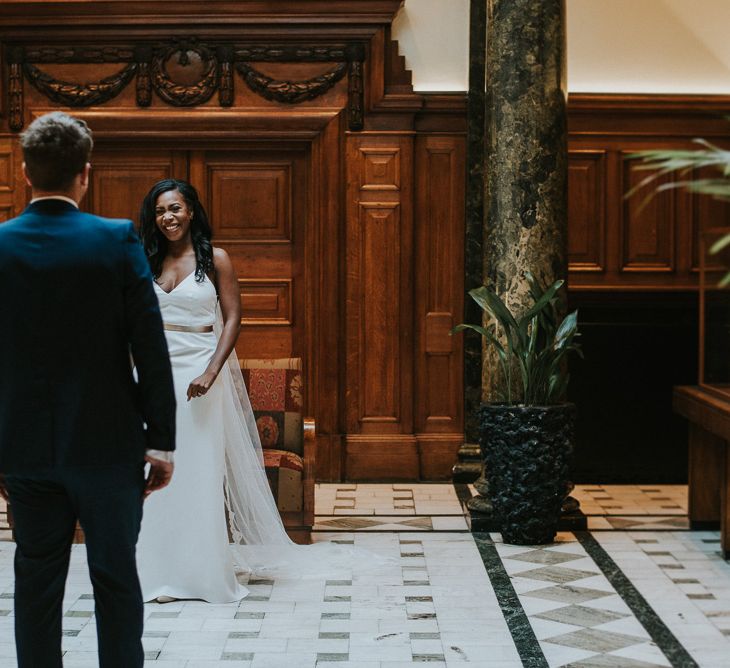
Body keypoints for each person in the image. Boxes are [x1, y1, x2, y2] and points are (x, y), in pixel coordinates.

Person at [0, 112, 177, 667]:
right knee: (116, 577)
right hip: (108, 445)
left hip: (24, 449)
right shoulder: (115, 239)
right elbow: (149, 346)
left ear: (26, 173)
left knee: (35, 580)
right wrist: (161, 440)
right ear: (85, 174)